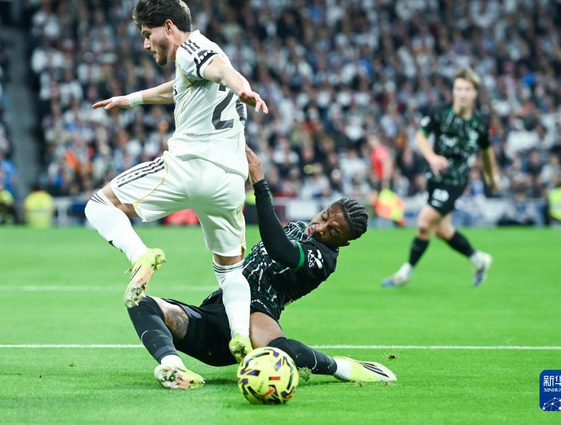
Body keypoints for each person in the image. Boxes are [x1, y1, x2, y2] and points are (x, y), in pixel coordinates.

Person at [85, 0, 268, 361]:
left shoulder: (191, 50)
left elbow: (223, 71)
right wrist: (130, 99)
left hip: (190, 166)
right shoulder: (201, 53)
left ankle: (140, 255)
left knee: (100, 205)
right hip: (229, 182)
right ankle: (240, 339)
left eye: (147, 34)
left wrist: (243, 88)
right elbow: (182, 87)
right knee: (230, 271)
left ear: (168, 27)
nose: (145, 44)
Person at [127, 146, 396, 389]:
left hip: (256, 311)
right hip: (217, 310)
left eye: (332, 231)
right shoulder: (299, 227)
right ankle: (172, 366)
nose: (320, 227)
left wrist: (260, 184)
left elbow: (279, 248)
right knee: (142, 303)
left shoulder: (323, 259)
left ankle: (342, 367)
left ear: (343, 243)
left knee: (279, 353)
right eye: (324, 217)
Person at [383, 67, 501, 288]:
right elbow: (420, 137)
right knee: (441, 230)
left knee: (423, 222)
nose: (462, 93)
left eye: (467, 89)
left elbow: (487, 152)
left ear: (475, 93)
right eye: (458, 88)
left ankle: (406, 272)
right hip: (435, 177)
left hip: (456, 180)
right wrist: (431, 157)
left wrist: (492, 176)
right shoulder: (439, 112)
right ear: (453, 91)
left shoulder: (480, 122)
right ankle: (479, 259)